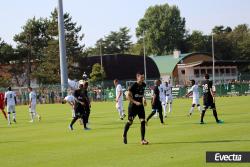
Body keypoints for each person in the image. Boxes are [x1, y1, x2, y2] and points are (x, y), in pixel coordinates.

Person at [123, 72, 149, 145]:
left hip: (140, 106)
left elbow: (142, 94)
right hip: (133, 107)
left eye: (143, 77)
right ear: (137, 77)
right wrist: (135, 102)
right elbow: (127, 96)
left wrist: (144, 99)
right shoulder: (133, 86)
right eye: (141, 77)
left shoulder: (144, 85)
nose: (142, 79)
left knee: (143, 121)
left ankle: (142, 139)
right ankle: (124, 135)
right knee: (130, 122)